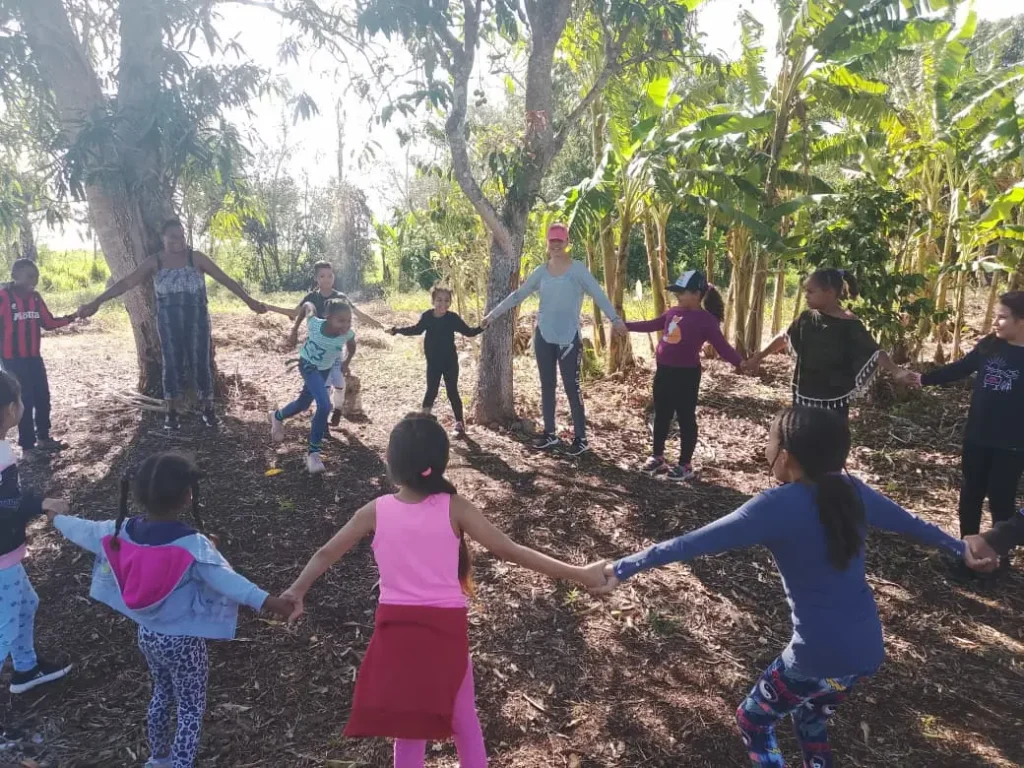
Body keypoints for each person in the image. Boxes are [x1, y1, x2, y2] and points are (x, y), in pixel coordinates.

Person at [588, 406, 994, 768]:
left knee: (753, 720)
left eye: (770, 439)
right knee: (811, 717)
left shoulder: (776, 506)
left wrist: (624, 567)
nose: (766, 447)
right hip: (864, 650)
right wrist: (960, 548)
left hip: (815, 655)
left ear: (786, 456)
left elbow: (692, 543)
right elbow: (914, 525)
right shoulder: (853, 491)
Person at [279, 414, 607, 768]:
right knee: (463, 719)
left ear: (390, 462)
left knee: (409, 729)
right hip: (446, 631)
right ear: (440, 463)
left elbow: (325, 552)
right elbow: (511, 550)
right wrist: (580, 574)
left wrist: (297, 591)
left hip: (396, 631)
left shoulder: (375, 511)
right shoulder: (456, 508)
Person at [49, 452, 293, 768]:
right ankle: (180, 764)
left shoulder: (121, 531)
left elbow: (82, 529)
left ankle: (158, 758)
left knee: (161, 695)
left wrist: (53, 517)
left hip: (148, 635)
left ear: (138, 495)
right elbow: (226, 581)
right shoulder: (192, 545)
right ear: (187, 496)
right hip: (183, 641)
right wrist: (270, 601)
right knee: (191, 707)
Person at [78, 219, 267, 430]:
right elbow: (125, 283)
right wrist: (97, 301)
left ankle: (208, 409)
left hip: (197, 321)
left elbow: (227, 280)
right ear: (163, 238)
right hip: (169, 324)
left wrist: (249, 301)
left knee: (201, 362)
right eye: (173, 236)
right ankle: (172, 412)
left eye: (181, 236)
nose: (178, 241)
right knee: (171, 364)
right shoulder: (155, 262)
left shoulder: (196, 258)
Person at [482, 222, 628, 456]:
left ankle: (581, 439)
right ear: (547, 244)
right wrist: (492, 315)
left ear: (568, 243)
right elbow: (519, 294)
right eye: (552, 240)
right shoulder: (541, 271)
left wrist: (615, 319)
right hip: (544, 336)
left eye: (560, 240)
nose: (556, 244)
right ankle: (550, 433)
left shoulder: (578, 270)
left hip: (569, 337)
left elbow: (598, 294)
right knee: (547, 385)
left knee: (572, 386)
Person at [911, 291, 1024, 572]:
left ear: (1021, 321)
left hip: (1012, 444)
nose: (995, 322)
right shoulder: (991, 346)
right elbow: (960, 368)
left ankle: (999, 555)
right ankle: (965, 550)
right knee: (970, 494)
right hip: (977, 437)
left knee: (1001, 499)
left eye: (1002, 317)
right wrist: (923, 379)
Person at [744, 269, 915, 416]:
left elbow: (875, 352)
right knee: (801, 440)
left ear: (830, 292)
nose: (806, 296)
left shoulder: (850, 324)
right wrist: (758, 357)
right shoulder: (806, 318)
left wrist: (896, 371)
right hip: (802, 394)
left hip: (834, 400)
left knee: (829, 443)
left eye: (811, 292)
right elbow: (785, 337)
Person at [624, 270, 742, 481]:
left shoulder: (706, 320)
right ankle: (657, 456)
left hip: (686, 375)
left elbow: (722, 347)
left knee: (686, 417)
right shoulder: (673, 312)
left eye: (682, 291)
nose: (677, 295)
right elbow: (652, 324)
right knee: (661, 414)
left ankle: (685, 464)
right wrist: (626, 326)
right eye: (676, 291)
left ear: (697, 294)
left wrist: (741, 363)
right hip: (664, 372)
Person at [0, 371, 73, 694]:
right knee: (4, 627)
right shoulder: (1, 454)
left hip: (7, 553)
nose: (22, 404)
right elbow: (8, 504)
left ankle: (26, 669)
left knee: (27, 603)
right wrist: (44, 502)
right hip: (2, 557)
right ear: (8, 411)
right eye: (19, 400)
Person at [265, 260, 383, 426]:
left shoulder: (340, 298)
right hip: (316, 352)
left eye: (330, 275)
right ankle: (322, 422)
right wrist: (268, 306)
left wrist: (380, 325)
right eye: (322, 276)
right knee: (323, 388)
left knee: (338, 382)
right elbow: (293, 312)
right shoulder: (312, 298)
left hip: (335, 351)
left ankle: (335, 411)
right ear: (316, 278)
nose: (327, 279)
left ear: (333, 277)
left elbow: (358, 314)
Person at [0, 259, 81, 453]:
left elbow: (48, 322)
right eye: (29, 276)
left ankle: (44, 437)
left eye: (35, 276)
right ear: (15, 276)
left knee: (42, 396)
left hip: (34, 357)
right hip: (12, 359)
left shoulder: (35, 298)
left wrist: (72, 317)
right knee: (24, 399)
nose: (33, 280)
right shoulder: (3, 297)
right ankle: (27, 446)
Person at [269, 300, 356, 474]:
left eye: (348, 321)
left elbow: (352, 347)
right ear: (328, 318)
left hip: (323, 370)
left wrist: (346, 362)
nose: (345, 325)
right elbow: (307, 305)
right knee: (324, 405)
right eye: (341, 321)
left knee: (303, 404)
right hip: (307, 365)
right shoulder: (315, 324)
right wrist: (294, 330)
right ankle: (313, 454)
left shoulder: (347, 334)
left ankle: (277, 416)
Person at [388, 286, 483, 437]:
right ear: (433, 301)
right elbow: (416, 329)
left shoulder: (452, 318)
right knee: (431, 391)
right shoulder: (427, 316)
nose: (443, 304)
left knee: (452, 391)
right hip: (433, 363)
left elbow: (468, 331)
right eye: (439, 300)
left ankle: (459, 423)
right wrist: (397, 330)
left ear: (450, 302)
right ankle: (424, 421)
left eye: (447, 300)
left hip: (450, 362)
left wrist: (482, 327)